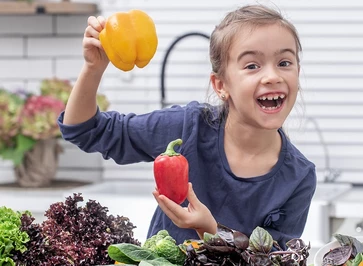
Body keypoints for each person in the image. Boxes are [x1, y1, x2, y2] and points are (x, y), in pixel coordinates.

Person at [58, 4, 317, 249]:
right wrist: (94, 68)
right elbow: (84, 129)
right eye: (252, 65)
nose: (273, 76)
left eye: (284, 63)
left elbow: (275, 260)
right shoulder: (187, 127)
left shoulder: (299, 177)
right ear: (220, 85)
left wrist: (211, 232)